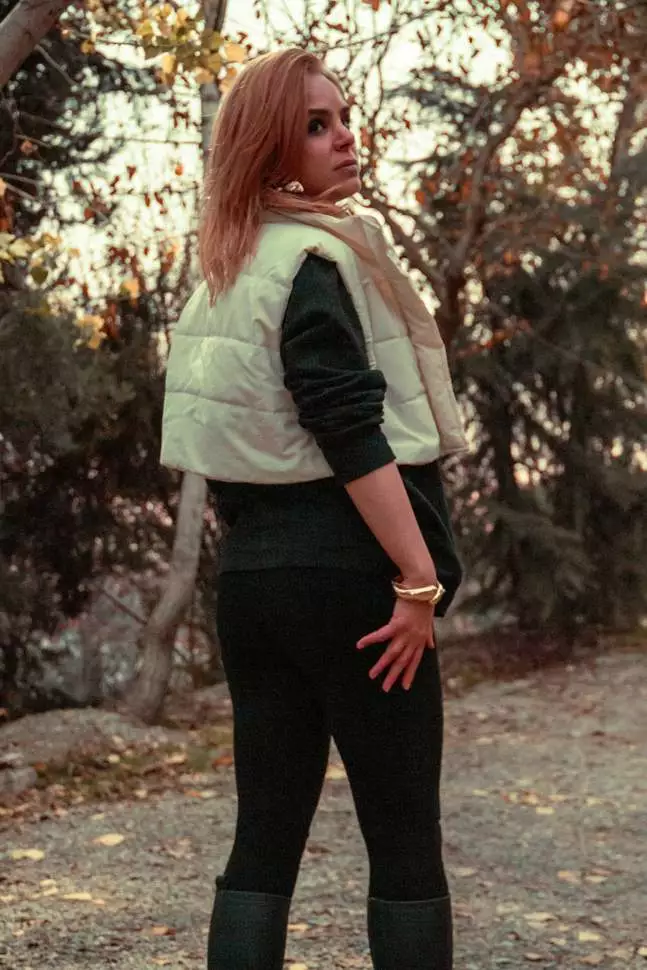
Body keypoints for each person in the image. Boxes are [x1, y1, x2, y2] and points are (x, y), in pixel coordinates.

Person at [161, 47, 467, 970]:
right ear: (269, 150)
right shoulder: (313, 261)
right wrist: (416, 581)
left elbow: (232, 445)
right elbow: (347, 430)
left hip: (253, 586)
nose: (344, 138)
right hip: (354, 587)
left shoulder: (222, 274)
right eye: (315, 126)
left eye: (343, 118)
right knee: (403, 840)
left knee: (263, 838)